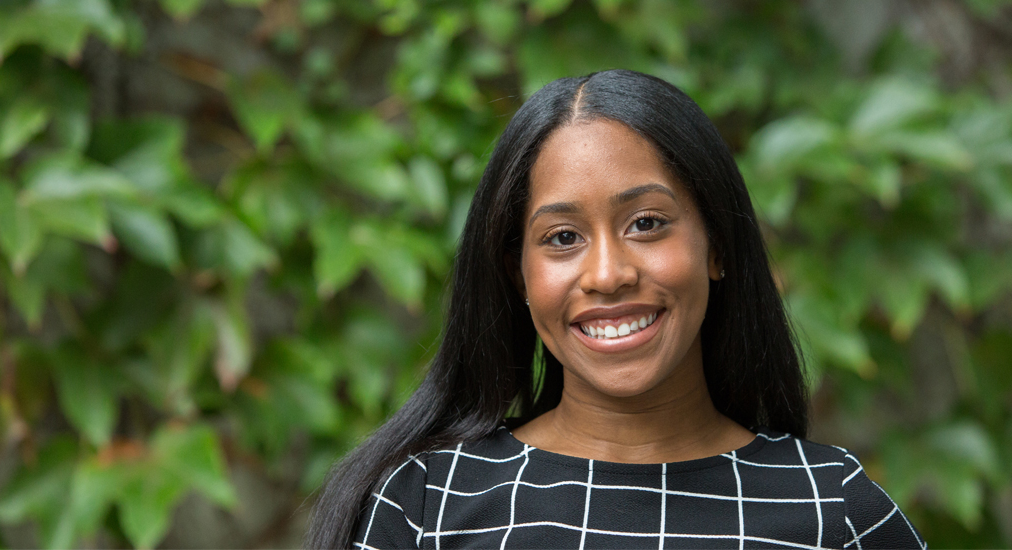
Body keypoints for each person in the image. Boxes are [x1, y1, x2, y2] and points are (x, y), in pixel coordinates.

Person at [305, 70, 925, 550]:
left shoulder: (830, 509)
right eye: (562, 238)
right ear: (515, 272)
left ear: (717, 246)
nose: (607, 274)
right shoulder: (426, 505)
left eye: (647, 223)